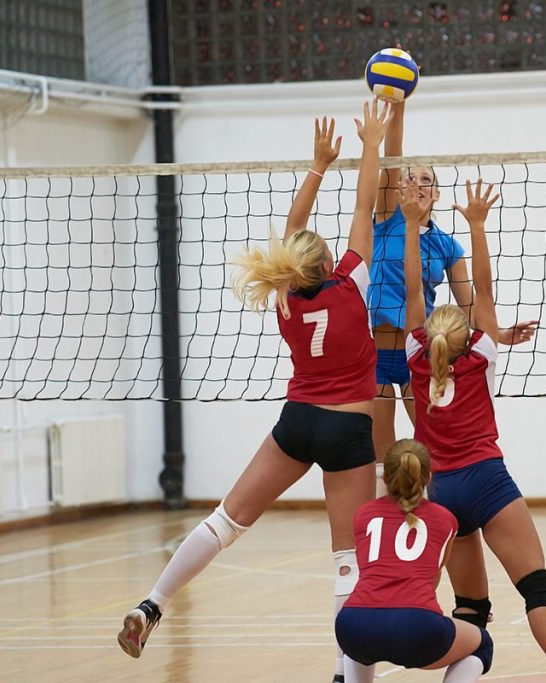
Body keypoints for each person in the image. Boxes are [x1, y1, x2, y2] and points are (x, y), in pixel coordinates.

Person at [117, 101, 394, 683]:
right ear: (327, 263)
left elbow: (292, 235)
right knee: (350, 563)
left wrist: (318, 164)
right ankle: (351, 678)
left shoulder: (286, 295)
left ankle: (154, 603)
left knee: (226, 520)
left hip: (296, 420)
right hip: (348, 428)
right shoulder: (352, 285)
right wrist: (373, 143)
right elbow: (365, 206)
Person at [400, 181, 546, 683]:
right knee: (537, 587)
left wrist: (410, 223)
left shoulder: (416, 355)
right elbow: (483, 290)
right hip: (486, 479)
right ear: (467, 335)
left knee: (469, 607)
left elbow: (414, 288)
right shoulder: (483, 350)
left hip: (437, 489)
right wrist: (478, 224)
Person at [368, 97, 537, 476]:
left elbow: (469, 303)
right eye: (409, 177)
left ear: (437, 194)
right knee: (381, 459)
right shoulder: (386, 217)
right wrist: (398, 106)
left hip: (420, 354)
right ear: (398, 188)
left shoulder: (447, 245)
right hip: (376, 351)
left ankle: (439, 520)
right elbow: (392, 156)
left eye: (426, 179)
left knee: (429, 447)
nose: (417, 183)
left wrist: (500, 333)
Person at [335, 438, 494, 683]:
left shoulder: (363, 514)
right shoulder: (445, 519)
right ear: (428, 477)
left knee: (362, 644)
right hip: (417, 627)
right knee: (482, 644)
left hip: (352, 624)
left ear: (385, 477)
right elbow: (431, 579)